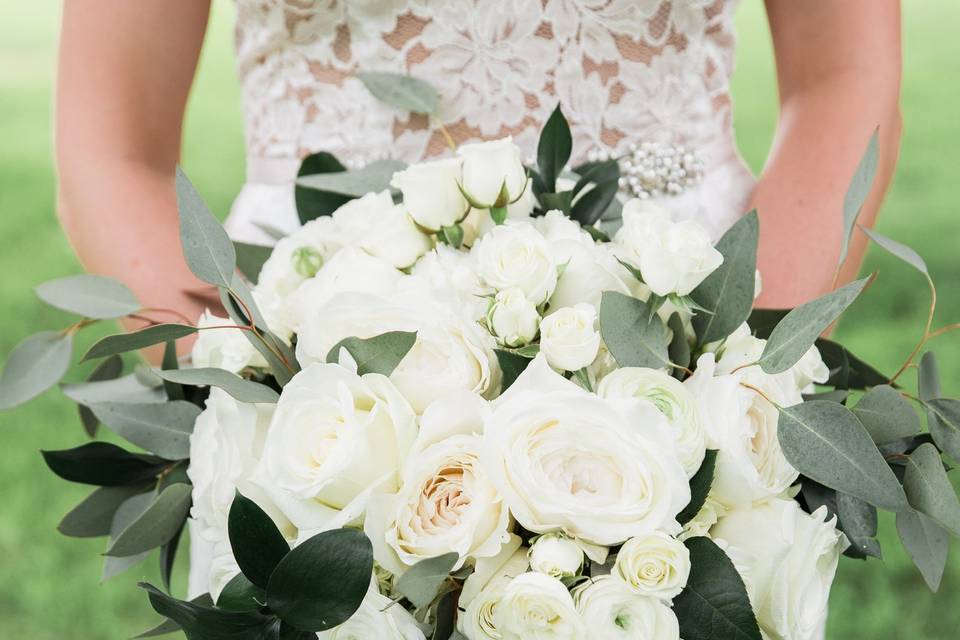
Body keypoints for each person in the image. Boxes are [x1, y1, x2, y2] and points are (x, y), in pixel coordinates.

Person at [54, 0, 901, 597]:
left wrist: (732, 377)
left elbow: (844, 74)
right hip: (314, 371)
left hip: (679, 329)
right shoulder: (288, 412)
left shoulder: (711, 383)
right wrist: (261, 391)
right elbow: (111, 143)